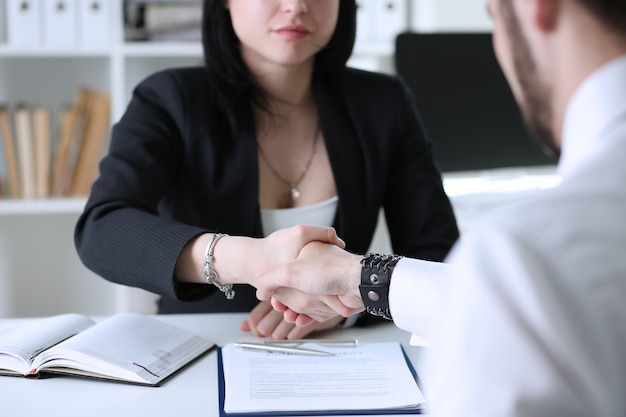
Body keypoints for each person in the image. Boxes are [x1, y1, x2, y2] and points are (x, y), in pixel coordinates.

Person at [254, 0, 626, 415]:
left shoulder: (523, 255)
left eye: (493, 16)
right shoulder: (524, 263)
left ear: (537, 7)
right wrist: (359, 278)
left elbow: (504, 294)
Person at [74, 0, 459, 340]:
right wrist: (253, 259)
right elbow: (103, 229)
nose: (295, 5)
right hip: (199, 347)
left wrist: (346, 309)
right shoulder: (169, 98)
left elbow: (438, 257)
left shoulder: (384, 102)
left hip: (336, 352)